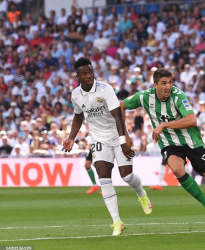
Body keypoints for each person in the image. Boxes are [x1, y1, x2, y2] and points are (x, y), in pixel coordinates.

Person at [120, 68, 205, 232]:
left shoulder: (178, 96)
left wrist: (163, 125)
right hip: (169, 143)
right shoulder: (144, 97)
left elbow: (192, 120)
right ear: (155, 84)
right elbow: (121, 106)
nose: (168, 87)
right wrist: (125, 135)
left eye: (170, 82)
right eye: (163, 83)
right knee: (178, 169)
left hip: (191, 142)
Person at [62, 58, 152, 236]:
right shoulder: (76, 95)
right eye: (84, 73)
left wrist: (123, 141)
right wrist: (71, 137)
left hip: (117, 135)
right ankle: (117, 221)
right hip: (98, 139)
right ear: (78, 76)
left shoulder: (105, 89)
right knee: (104, 178)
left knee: (126, 176)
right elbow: (78, 116)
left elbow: (118, 116)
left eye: (90, 71)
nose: (89, 75)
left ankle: (141, 194)